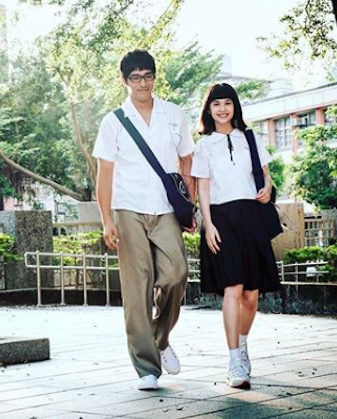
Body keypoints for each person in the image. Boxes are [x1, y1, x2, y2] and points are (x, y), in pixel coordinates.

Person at [93, 49, 196, 391]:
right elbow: (105, 174)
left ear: (154, 77)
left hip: (165, 209)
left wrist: (189, 206)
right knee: (137, 289)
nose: (142, 83)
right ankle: (146, 367)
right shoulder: (113, 121)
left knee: (177, 274)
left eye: (147, 76)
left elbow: (187, 161)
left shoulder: (173, 114)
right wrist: (106, 220)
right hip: (128, 209)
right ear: (125, 80)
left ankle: (160, 338)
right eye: (135, 77)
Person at [191, 83, 280, 389]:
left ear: (235, 106)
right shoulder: (204, 145)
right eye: (216, 104)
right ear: (209, 109)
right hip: (222, 219)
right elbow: (202, 188)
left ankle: (242, 345)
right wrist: (208, 224)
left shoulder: (250, 138)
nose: (222, 109)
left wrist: (267, 187)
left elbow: (265, 174)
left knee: (251, 296)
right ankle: (233, 362)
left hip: (252, 216)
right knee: (233, 288)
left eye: (227, 103)